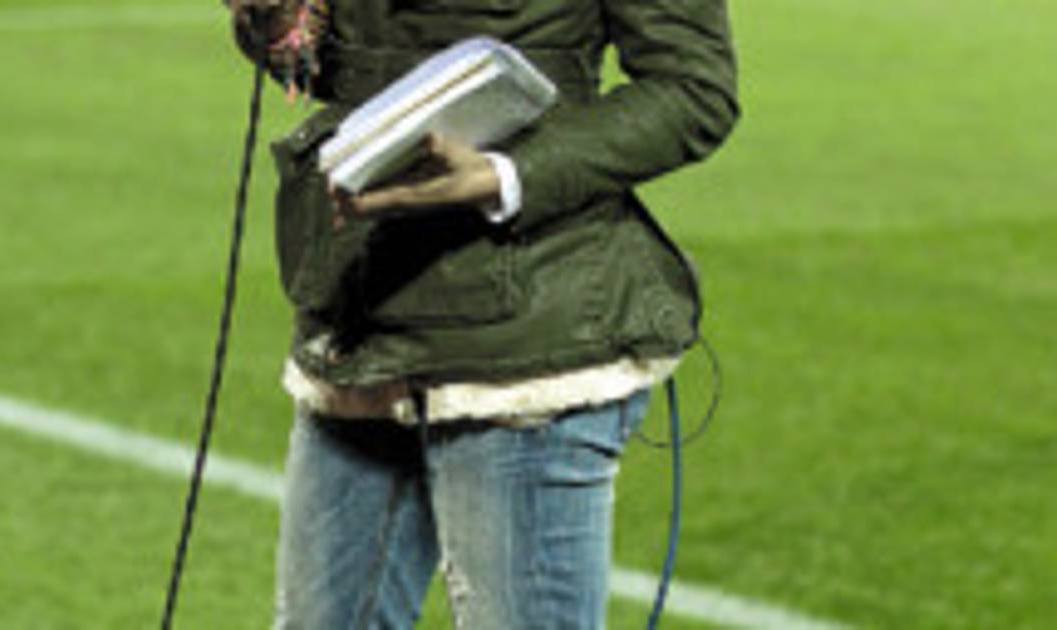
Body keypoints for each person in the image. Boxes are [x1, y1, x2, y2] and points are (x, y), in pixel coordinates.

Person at [226, 0, 738, 627]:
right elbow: (350, 65)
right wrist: (279, 26)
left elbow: (694, 89)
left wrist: (507, 173)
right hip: (365, 314)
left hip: (530, 332)